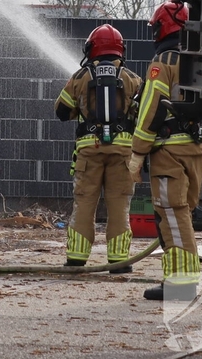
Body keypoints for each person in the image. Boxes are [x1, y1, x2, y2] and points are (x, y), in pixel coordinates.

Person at [128, 0, 202, 301]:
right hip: (196, 148)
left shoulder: (162, 62)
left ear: (163, 28)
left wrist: (137, 152)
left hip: (169, 151)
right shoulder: (200, 57)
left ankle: (181, 283)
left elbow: (151, 108)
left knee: (172, 216)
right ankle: (181, 278)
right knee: (181, 214)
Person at [55, 24, 142, 272]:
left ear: (91, 48)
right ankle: (119, 262)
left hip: (88, 152)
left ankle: (76, 258)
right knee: (119, 205)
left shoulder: (79, 77)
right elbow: (142, 115)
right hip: (123, 153)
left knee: (84, 203)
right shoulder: (133, 79)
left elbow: (61, 111)